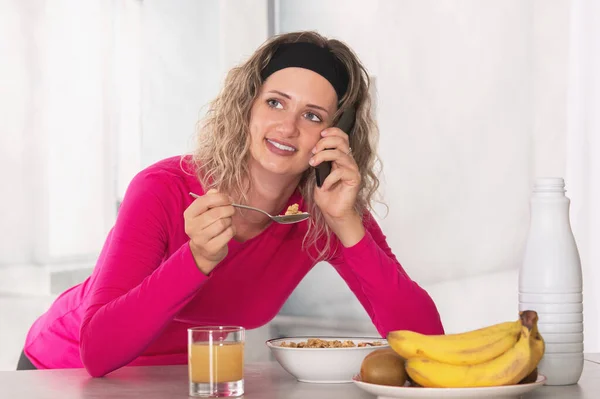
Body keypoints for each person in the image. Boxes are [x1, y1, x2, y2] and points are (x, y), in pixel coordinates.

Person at [19, 31, 444, 376]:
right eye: (275, 102)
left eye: (313, 116)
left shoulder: (327, 209)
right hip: (64, 372)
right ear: (247, 107)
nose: (287, 127)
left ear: (335, 135)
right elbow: (97, 350)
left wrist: (348, 224)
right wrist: (197, 259)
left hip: (193, 381)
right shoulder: (161, 188)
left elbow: (426, 343)